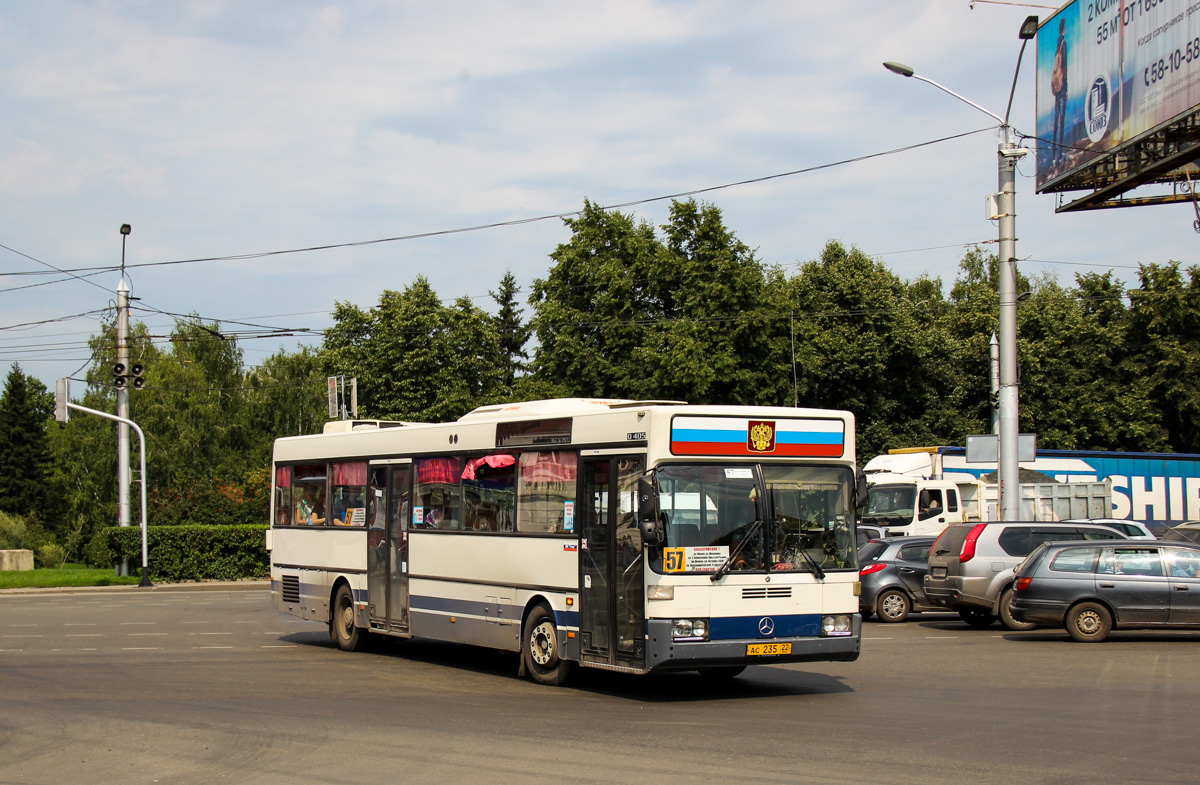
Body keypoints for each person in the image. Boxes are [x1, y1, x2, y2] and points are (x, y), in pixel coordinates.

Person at [1051, 18, 1069, 168]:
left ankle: (1052, 155)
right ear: (1064, 29)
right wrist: (1066, 88)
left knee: (1056, 122)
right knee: (1061, 122)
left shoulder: (1057, 46)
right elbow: (1064, 68)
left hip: (1056, 88)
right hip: (1061, 88)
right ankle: (1060, 156)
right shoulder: (1064, 45)